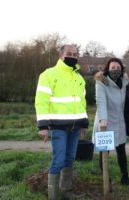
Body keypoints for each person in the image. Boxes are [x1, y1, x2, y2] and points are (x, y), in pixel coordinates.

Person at [35, 44, 89, 200]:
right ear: (61, 55)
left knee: (70, 159)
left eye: (75, 54)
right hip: (58, 127)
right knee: (58, 160)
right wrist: (43, 126)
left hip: (76, 126)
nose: (72, 56)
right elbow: (41, 101)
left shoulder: (79, 77)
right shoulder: (48, 74)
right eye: (69, 53)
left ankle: (66, 191)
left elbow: (82, 102)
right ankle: (53, 196)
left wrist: (84, 123)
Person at [93, 58, 129, 185]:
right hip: (106, 121)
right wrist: (103, 120)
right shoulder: (101, 82)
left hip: (120, 120)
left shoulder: (125, 81)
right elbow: (101, 102)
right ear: (108, 69)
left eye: (118, 68)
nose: (115, 70)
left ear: (121, 69)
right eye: (112, 68)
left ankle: (125, 177)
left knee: (121, 150)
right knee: (105, 152)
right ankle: (106, 179)